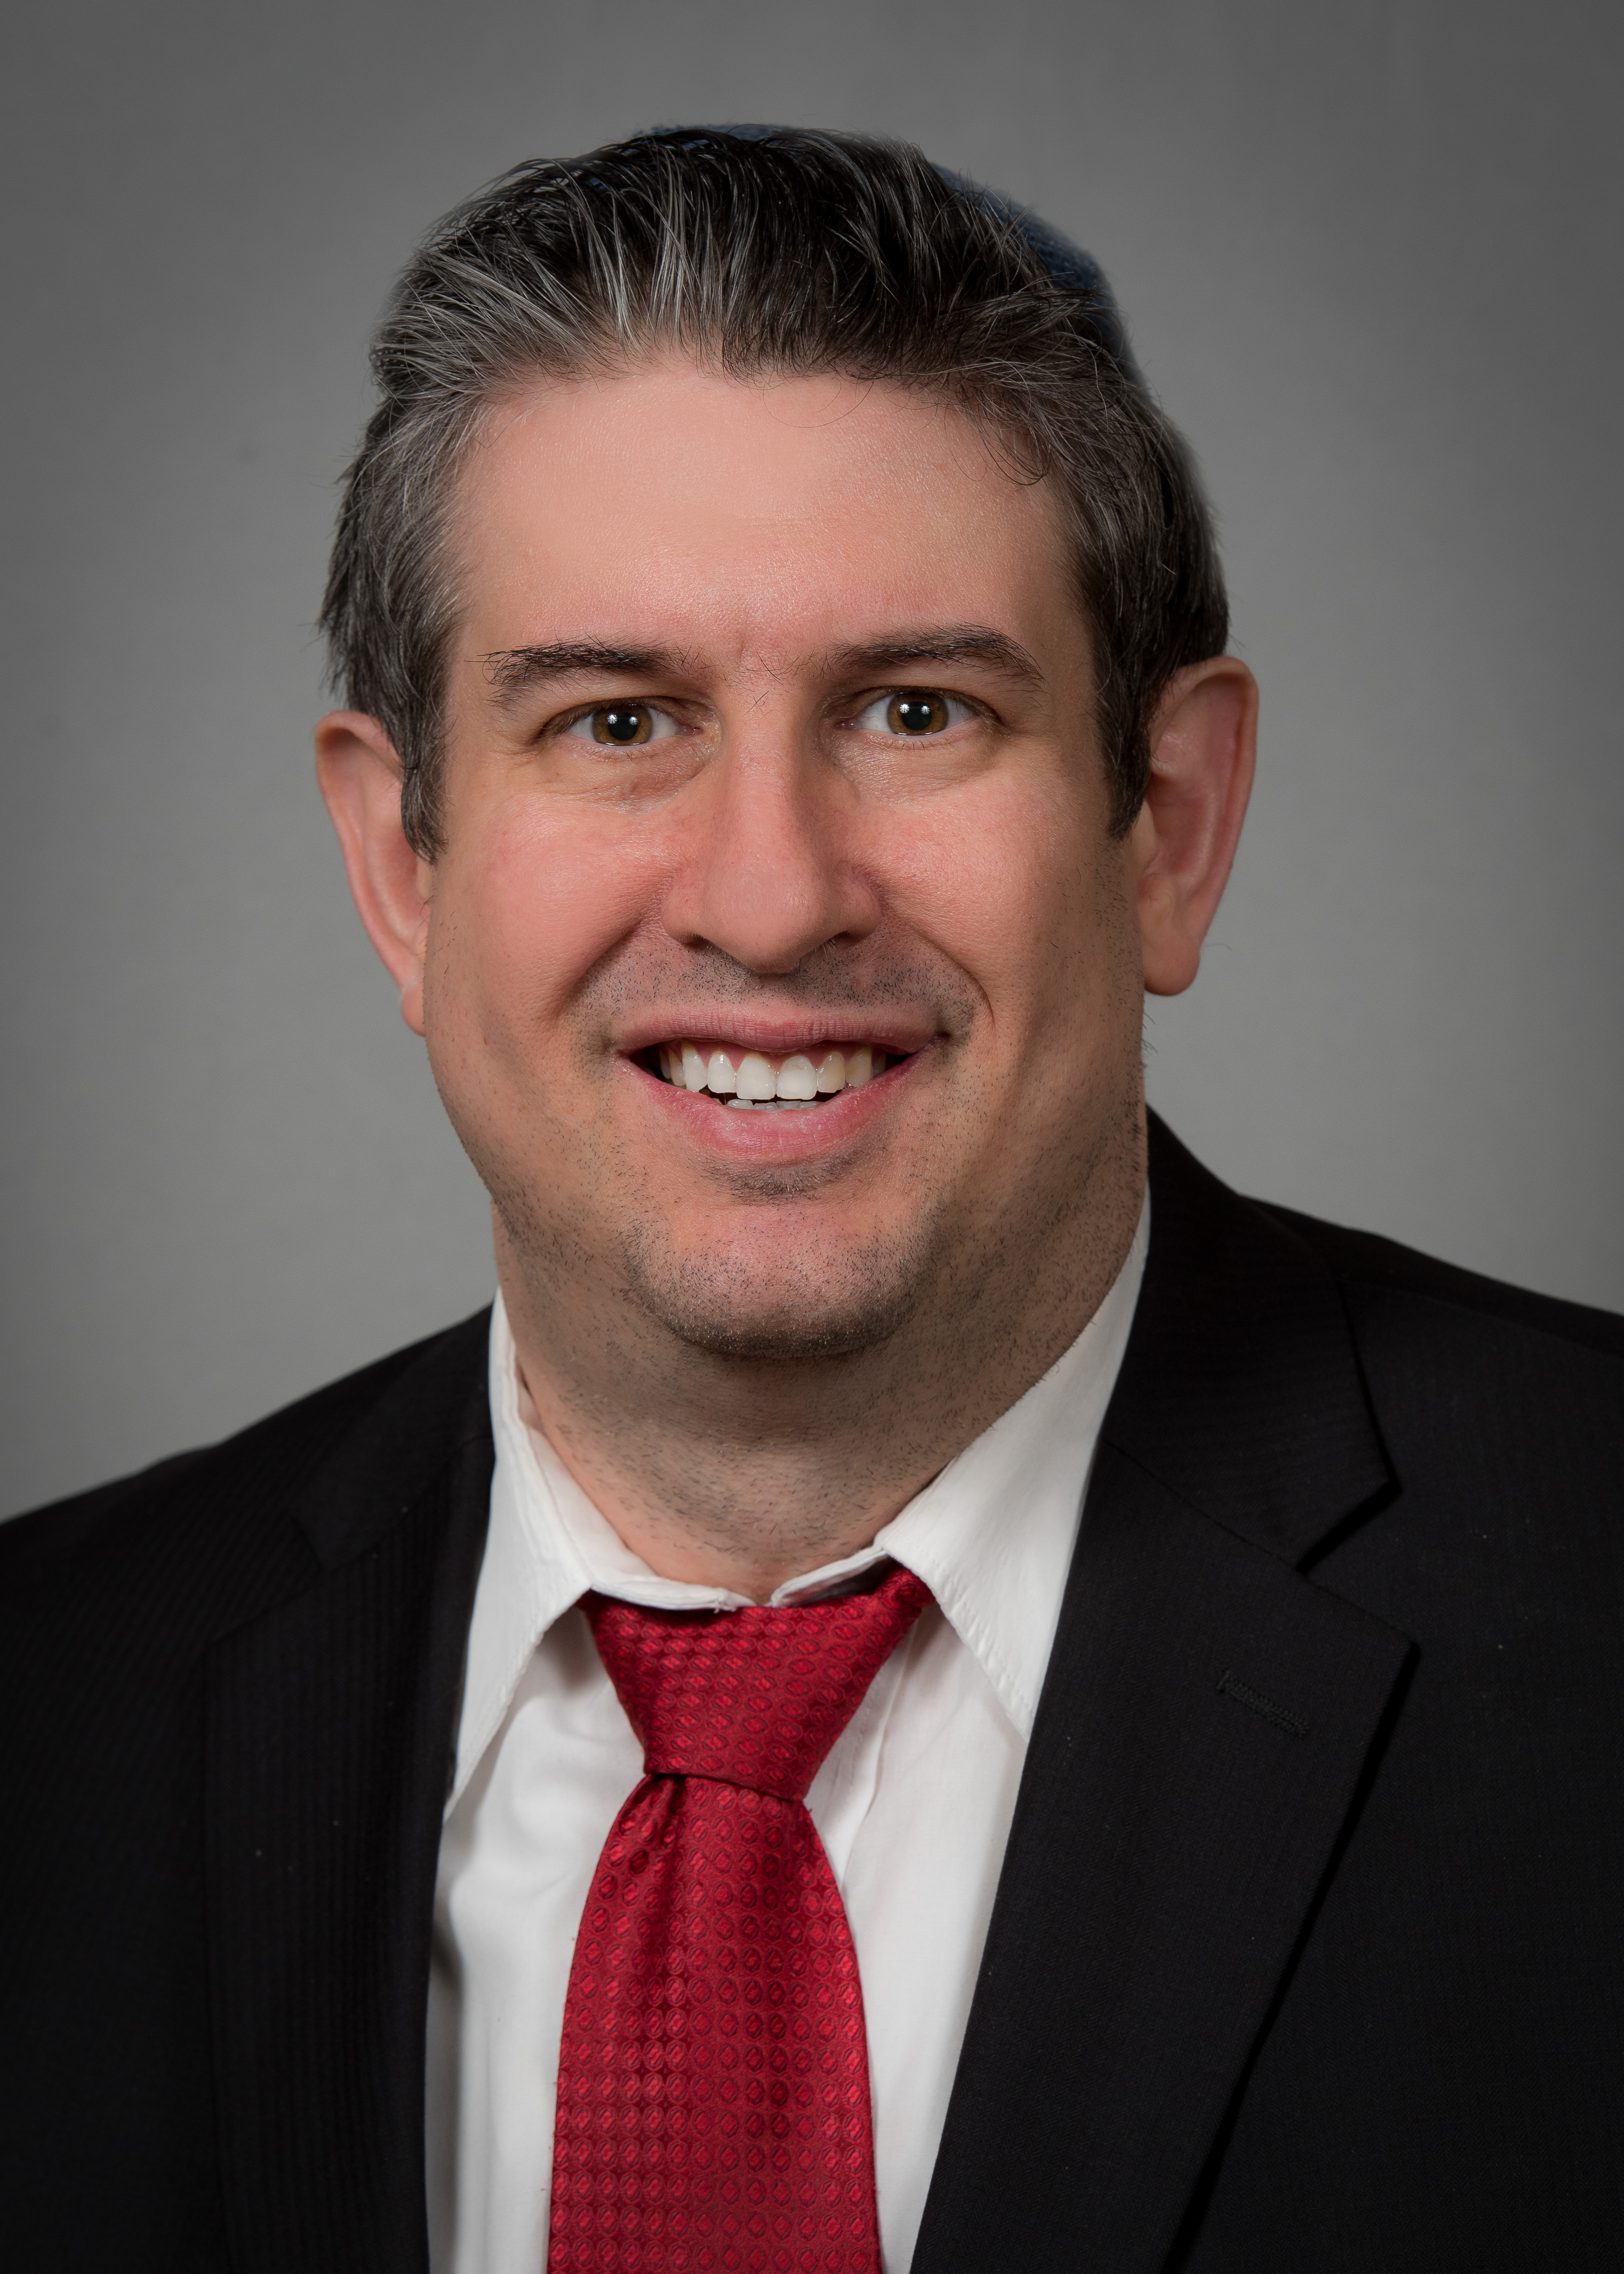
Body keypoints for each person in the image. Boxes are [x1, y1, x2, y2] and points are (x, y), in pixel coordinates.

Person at [2, 125, 1621, 2274]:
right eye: (619, 721)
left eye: (916, 709)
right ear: (403, 869)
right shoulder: (42, 1710)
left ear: (1169, 825)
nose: (770, 899)